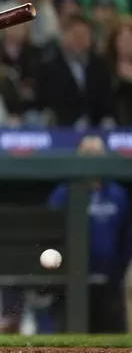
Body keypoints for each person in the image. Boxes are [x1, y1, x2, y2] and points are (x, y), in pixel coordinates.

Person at [47, 135, 131, 333]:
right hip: (70, 282)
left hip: (109, 280)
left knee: (111, 337)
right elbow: (50, 232)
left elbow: (126, 237)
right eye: (87, 154)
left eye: (97, 154)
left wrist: (118, 270)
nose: (92, 159)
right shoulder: (63, 193)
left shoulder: (118, 194)